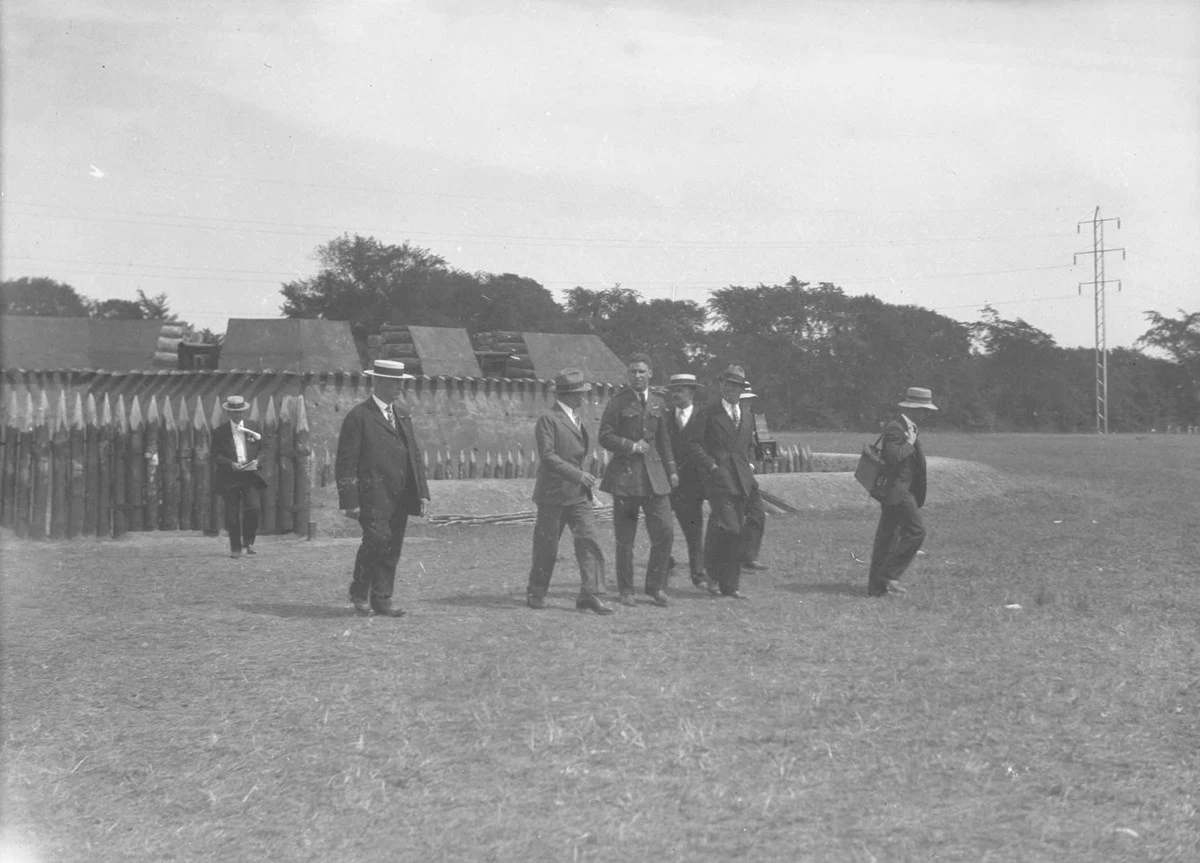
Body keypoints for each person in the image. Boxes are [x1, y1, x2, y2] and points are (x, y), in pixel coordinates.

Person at [336, 359, 430, 617]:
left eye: (401, 383)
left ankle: (382, 598)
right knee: (376, 540)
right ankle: (359, 592)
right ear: (377, 382)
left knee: (392, 546)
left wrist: (422, 491)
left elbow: (414, 455)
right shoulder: (359, 416)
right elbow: (346, 462)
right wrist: (349, 501)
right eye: (393, 383)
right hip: (372, 495)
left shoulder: (402, 415)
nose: (399, 388)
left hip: (400, 494)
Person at [526, 369, 613, 614]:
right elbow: (548, 456)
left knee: (589, 541)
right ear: (567, 394)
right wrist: (578, 475)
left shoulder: (576, 418)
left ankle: (589, 594)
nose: (584, 397)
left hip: (578, 495)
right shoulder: (548, 418)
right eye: (580, 393)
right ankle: (536, 591)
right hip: (552, 495)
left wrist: (584, 485)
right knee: (547, 547)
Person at [598, 352, 678, 607]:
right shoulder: (617, 402)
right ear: (627, 375)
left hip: (655, 478)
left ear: (650, 374)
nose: (637, 376)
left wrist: (672, 469)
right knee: (625, 538)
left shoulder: (657, 401)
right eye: (633, 371)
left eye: (642, 371)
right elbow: (605, 436)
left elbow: (664, 439)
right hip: (625, 478)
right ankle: (626, 589)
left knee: (665, 531)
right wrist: (631, 446)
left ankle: (656, 587)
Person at [683, 364, 758, 599]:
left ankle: (729, 585)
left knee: (732, 530)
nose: (732, 390)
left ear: (742, 389)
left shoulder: (747, 414)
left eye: (737, 386)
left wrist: (751, 465)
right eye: (728, 385)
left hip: (742, 480)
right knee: (730, 528)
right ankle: (716, 578)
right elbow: (692, 443)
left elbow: (750, 445)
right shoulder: (708, 412)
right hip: (718, 480)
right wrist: (711, 465)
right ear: (721, 385)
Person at [867, 386, 936, 597]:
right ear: (914, 408)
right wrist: (911, 441)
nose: (926, 414)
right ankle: (889, 574)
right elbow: (895, 457)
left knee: (887, 539)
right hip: (897, 491)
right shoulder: (896, 428)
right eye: (924, 410)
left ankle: (875, 589)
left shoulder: (910, 427)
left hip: (901, 490)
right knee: (917, 531)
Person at [664, 373, 709, 590]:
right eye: (673, 390)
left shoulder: (703, 417)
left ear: (691, 392)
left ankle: (698, 575)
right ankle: (665, 565)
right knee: (662, 528)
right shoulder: (664, 417)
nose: (675, 394)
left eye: (680, 390)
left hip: (693, 484)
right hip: (667, 483)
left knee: (693, 531)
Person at [212, 395, 268, 559]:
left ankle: (248, 542)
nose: (237, 416)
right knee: (232, 513)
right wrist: (230, 463)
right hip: (230, 477)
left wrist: (258, 460)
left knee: (253, 508)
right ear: (228, 413)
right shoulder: (220, 432)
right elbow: (215, 455)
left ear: (244, 412)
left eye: (240, 412)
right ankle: (235, 548)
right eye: (233, 413)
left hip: (249, 475)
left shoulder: (253, 427)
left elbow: (264, 447)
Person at [738, 390, 770, 572]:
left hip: (747, 475)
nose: (747, 404)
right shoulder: (724, 417)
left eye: (749, 401)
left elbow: (751, 445)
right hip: (729, 475)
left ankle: (750, 556)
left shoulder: (749, 418)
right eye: (745, 401)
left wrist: (750, 463)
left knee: (757, 513)